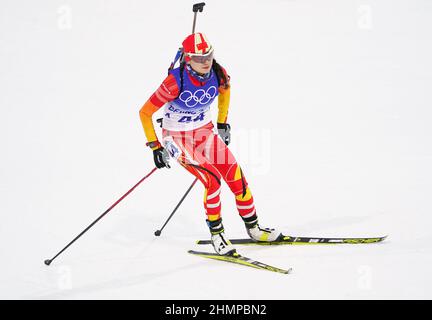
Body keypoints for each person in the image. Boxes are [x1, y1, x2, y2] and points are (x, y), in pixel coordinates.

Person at [139, 33, 282, 255]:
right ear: (187, 58)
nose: (206, 61)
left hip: (204, 132)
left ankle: (254, 229)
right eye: (199, 58)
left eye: (209, 55)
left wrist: (222, 123)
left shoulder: (218, 72)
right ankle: (217, 235)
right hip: (176, 137)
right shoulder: (175, 81)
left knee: (235, 175)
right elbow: (145, 112)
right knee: (212, 181)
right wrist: (155, 146)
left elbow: (225, 92)